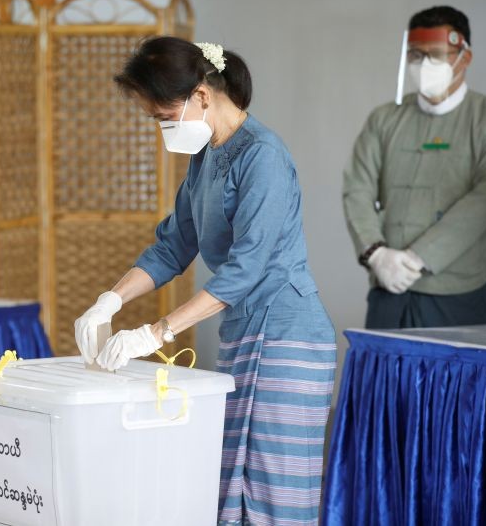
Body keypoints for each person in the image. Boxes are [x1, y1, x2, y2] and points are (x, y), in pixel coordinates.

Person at [74, 37, 336, 526]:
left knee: (273, 493)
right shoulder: (206, 159)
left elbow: (246, 269)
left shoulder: (263, 156)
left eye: (162, 116)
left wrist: (156, 333)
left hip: (288, 335)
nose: (162, 128)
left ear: (201, 95)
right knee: (229, 489)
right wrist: (108, 301)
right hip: (243, 331)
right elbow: (173, 246)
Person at [343, 5, 486, 328]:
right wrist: (377, 254)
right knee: (384, 378)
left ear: (463, 57)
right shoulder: (384, 119)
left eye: (436, 55)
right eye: (415, 55)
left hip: (457, 296)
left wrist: (418, 257)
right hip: (388, 290)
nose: (424, 65)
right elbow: (357, 187)